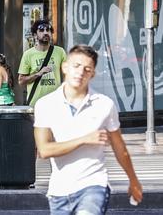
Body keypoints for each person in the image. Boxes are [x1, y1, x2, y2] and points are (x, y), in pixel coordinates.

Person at [34, 45, 143, 214]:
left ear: (92, 73)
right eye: (76, 66)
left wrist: (133, 180)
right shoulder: (45, 105)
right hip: (59, 190)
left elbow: (119, 147)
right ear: (65, 67)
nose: (80, 73)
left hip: (93, 185)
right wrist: (84, 139)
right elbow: (44, 150)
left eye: (87, 69)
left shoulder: (104, 104)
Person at [18, 19, 67, 106]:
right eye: (41, 30)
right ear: (35, 35)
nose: (45, 32)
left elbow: (67, 76)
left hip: (56, 103)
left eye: (48, 30)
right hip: (36, 104)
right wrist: (39, 73)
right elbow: (21, 81)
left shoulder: (60, 52)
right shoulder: (28, 54)